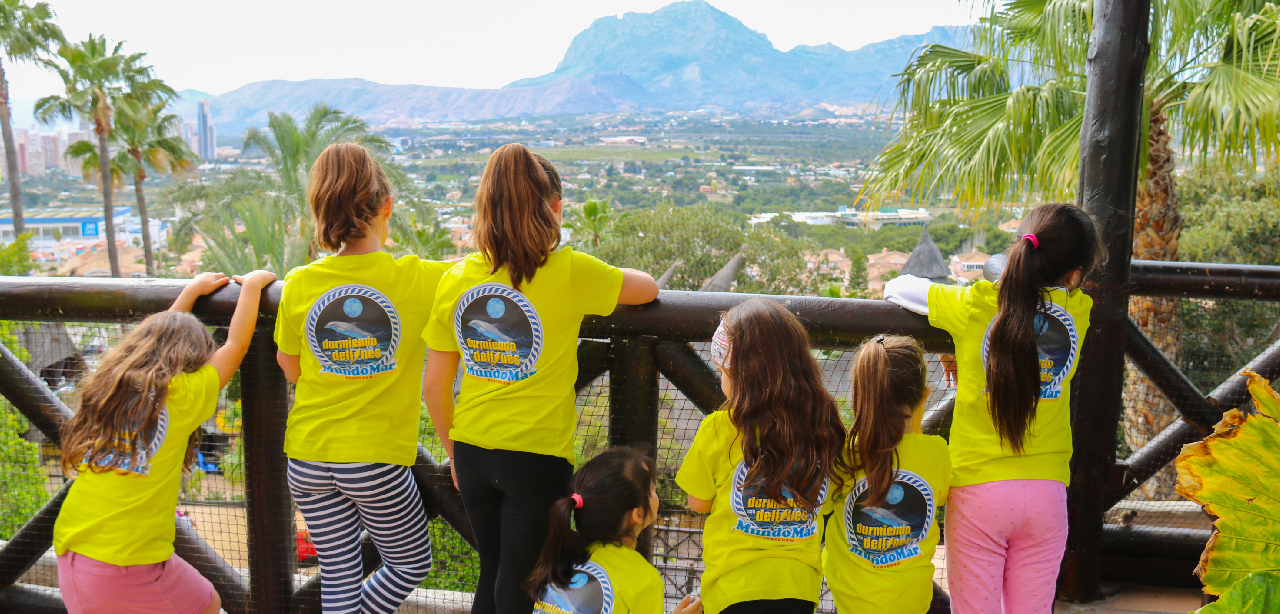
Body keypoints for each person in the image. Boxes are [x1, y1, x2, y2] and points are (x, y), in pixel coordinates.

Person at [423, 144, 659, 614]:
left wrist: (452, 450)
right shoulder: (569, 271)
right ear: (554, 207)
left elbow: (434, 385)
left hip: (472, 450)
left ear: (483, 210)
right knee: (519, 584)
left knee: (492, 570)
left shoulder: (457, 279)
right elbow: (647, 288)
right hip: (536, 455)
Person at [883, 202, 1103, 614]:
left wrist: (997, 278)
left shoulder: (975, 304)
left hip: (977, 490)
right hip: (1046, 492)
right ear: (1074, 275)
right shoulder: (1079, 312)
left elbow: (897, 288)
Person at [275, 143, 448, 613]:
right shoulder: (420, 277)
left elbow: (289, 366)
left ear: (318, 213)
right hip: (373, 459)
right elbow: (485, 274)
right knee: (410, 562)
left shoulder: (298, 283)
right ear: (386, 207)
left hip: (307, 456)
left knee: (338, 576)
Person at [54, 268, 277, 614]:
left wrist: (190, 291)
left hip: (74, 554)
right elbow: (236, 343)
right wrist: (251, 285)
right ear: (191, 359)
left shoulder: (113, 384)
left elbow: (160, 334)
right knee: (208, 603)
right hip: (128, 563)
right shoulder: (184, 394)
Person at [675, 298, 849, 614]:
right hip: (800, 588)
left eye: (723, 372)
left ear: (740, 374)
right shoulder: (824, 424)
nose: (721, 380)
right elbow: (831, 496)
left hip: (733, 587)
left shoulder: (718, 428)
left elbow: (697, 502)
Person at [822, 335, 949, 614]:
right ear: (923, 395)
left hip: (851, 600)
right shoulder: (937, 453)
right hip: (912, 599)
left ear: (858, 396)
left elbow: (823, 505)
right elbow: (938, 494)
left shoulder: (843, 454)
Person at [526, 447, 702, 614]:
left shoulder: (563, 554)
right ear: (638, 514)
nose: (656, 491)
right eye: (651, 489)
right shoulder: (643, 579)